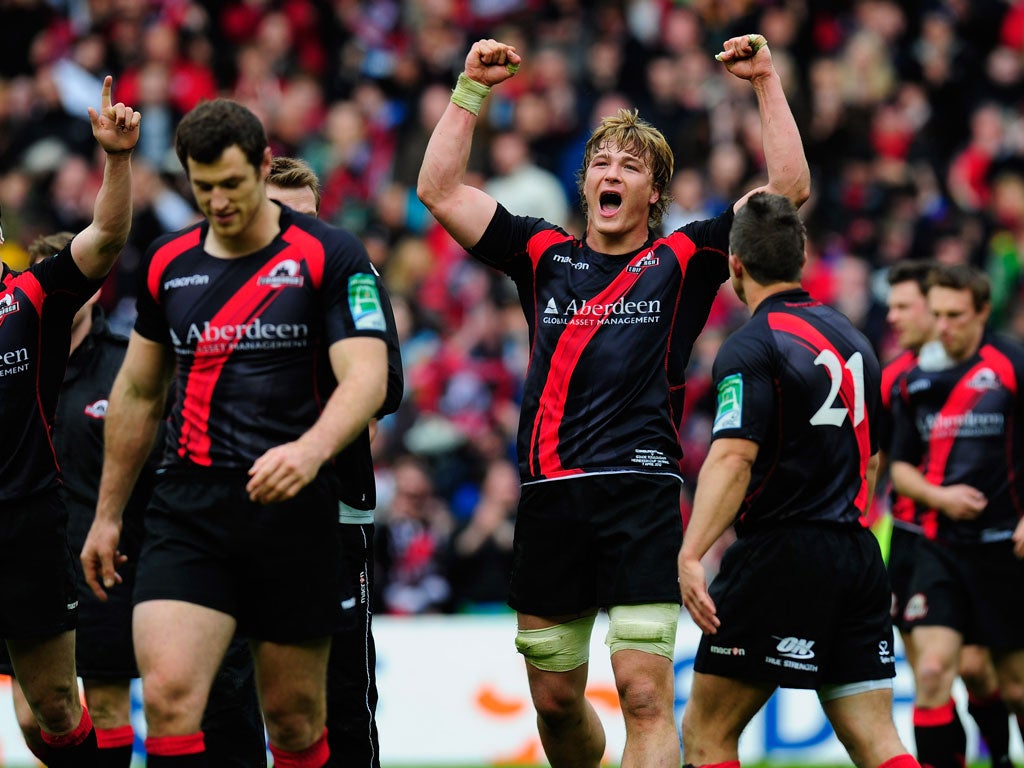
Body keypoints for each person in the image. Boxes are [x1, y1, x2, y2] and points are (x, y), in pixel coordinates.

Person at [416, 34, 809, 767]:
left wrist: (764, 83)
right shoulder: (542, 256)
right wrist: (469, 88)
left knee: (645, 697)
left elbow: (785, 195)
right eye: (602, 161)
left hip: (642, 496)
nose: (612, 172)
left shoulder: (684, 259)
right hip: (551, 498)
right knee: (559, 708)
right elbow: (438, 191)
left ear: (653, 192)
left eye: (631, 165)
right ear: (584, 182)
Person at [79, 97, 388, 767]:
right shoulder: (169, 264)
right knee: (167, 700)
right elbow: (136, 390)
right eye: (203, 186)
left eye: (232, 184)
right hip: (187, 509)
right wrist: (107, 515)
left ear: (260, 167)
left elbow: (368, 376)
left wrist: (309, 451)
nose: (218, 201)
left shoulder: (330, 256)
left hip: (292, 507)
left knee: (296, 721)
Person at [677, 192, 920, 768]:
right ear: (801, 258)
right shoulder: (856, 341)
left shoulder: (749, 347)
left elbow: (733, 457)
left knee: (707, 733)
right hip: (856, 555)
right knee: (876, 741)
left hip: (782, 553)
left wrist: (692, 553)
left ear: (735, 265)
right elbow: (873, 459)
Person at [0, 75, 138, 767]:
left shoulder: (28, 297)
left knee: (52, 708)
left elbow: (108, 236)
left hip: (24, 523)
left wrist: (115, 158)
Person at [265, 154, 404, 768]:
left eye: (309, 219)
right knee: (244, 692)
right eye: (282, 218)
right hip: (244, 512)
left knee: (344, 688)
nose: (301, 234)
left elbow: (388, 382)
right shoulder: (222, 277)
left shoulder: (352, 271)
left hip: (339, 510)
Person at [890, 264, 1024, 768]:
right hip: (938, 549)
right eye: (938, 314)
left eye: (956, 316)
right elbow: (900, 469)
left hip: (1003, 549)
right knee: (933, 673)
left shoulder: (1012, 364)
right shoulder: (914, 379)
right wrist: (939, 498)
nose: (944, 326)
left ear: (982, 312)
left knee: (1013, 685)